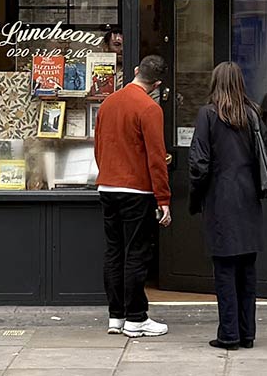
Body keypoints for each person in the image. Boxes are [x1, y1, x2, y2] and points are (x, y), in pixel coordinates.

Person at [189, 61, 267, 351]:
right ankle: (247, 334)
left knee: (224, 271)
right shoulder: (253, 114)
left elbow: (199, 163)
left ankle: (229, 334)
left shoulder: (208, 115)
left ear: (215, 82)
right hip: (249, 198)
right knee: (247, 272)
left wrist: (196, 193)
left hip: (220, 200)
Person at [93, 54, 172, 338]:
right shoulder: (150, 108)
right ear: (158, 83)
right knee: (136, 254)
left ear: (137, 71)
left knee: (114, 252)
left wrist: (108, 173)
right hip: (136, 189)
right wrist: (163, 199)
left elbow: (98, 145)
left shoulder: (108, 102)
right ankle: (136, 318)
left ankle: (116, 315)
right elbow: (156, 158)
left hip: (108, 186)